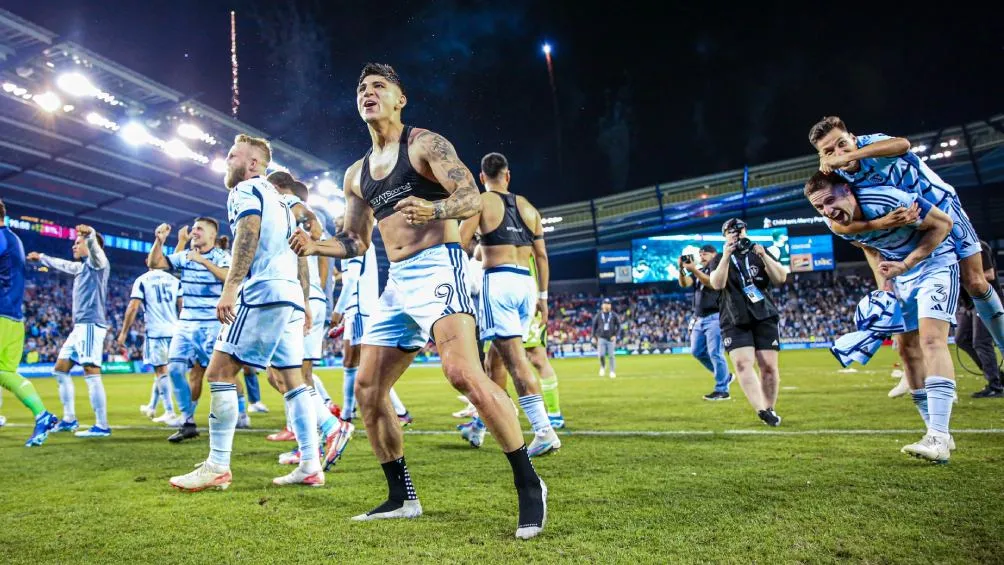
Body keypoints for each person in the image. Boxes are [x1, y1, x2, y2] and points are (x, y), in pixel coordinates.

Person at [289, 63, 546, 538]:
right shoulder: (355, 175)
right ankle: (401, 496)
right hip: (396, 281)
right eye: (361, 87)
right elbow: (356, 240)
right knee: (367, 388)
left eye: (378, 87)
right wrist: (317, 246)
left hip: (439, 267)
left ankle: (530, 486)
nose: (368, 93)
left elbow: (472, 197)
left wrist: (435, 208)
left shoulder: (426, 144)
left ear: (399, 99)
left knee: (463, 373)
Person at [168, 133, 321, 490]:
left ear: (253, 164)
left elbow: (247, 233)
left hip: (263, 291)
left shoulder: (245, 191)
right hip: (288, 295)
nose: (226, 161)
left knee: (219, 373)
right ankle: (311, 463)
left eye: (232, 155)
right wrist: (304, 301)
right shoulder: (282, 201)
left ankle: (218, 465)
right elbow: (298, 251)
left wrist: (231, 287)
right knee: (292, 381)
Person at [809, 116, 1004, 357]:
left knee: (974, 282)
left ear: (853, 138)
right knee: (904, 310)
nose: (837, 152)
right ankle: (917, 375)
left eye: (841, 143)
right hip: (907, 226)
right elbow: (836, 223)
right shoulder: (837, 180)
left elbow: (903, 145)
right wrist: (882, 223)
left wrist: (847, 156)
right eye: (829, 150)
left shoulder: (871, 143)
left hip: (941, 205)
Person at [805, 171, 958, 461]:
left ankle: (938, 435)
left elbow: (943, 225)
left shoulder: (889, 199)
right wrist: (884, 291)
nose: (827, 211)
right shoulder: (836, 224)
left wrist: (907, 262)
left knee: (931, 341)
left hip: (935, 265)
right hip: (900, 276)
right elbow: (872, 249)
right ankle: (938, 435)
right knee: (905, 348)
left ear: (847, 191)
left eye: (829, 201)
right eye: (819, 208)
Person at [457, 152, 559, 456]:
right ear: (508, 175)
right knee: (495, 361)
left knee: (515, 362)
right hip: (526, 286)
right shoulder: (528, 207)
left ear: (481, 176)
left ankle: (544, 431)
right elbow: (541, 256)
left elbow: (461, 243)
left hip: (497, 282)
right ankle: (479, 426)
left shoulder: (482, 202)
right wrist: (543, 297)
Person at [265, 172, 342, 467]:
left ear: (278, 188)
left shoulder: (291, 204)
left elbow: (315, 227)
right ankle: (314, 437)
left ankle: (325, 432)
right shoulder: (288, 211)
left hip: (301, 297)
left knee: (291, 375)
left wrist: (314, 293)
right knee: (287, 375)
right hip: (303, 295)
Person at [147, 217, 232, 442]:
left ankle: (230, 417)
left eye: (199, 229)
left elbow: (228, 277)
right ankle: (188, 421)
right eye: (193, 228)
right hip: (185, 323)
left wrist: (203, 261)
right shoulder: (185, 256)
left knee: (218, 376)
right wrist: (159, 241)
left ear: (212, 235)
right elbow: (154, 263)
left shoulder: (221, 256)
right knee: (174, 369)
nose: (194, 232)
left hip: (213, 324)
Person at [27, 224, 111, 437]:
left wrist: (90, 234)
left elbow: (94, 248)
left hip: (91, 325)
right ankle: (69, 419)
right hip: (79, 328)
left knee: (91, 371)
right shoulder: (82, 267)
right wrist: (42, 257)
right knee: (60, 369)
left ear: (91, 247)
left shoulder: (98, 263)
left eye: (77, 243)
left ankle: (102, 426)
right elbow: (62, 264)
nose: (74, 246)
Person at [707, 218, 788, 426]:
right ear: (724, 236)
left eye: (739, 232)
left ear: (746, 232)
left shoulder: (760, 252)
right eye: (731, 233)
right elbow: (716, 284)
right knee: (743, 364)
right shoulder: (718, 259)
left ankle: (769, 408)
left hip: (763, 314)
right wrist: (726, 255)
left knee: (768, 366)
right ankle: (762, 411)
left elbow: (780, 278)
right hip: (734, 317)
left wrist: (763, 255)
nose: (736, 236)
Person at [0, 199, 59, 446]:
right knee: (5, 372)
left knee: (3, 373)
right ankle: (43, 415)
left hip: (1, 312)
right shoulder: (14, 239)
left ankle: (43, 414)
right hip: (14, 316)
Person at [117, 267, 182, 424]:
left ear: (149, 261)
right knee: (162, 371)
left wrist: (124, 332)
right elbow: (182, 307)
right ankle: (151, 407)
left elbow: (133, 307)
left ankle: (169, 411)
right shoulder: (175, 280)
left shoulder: (143, 279)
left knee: (160, 371)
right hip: (175, 330)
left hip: (155, 332)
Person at [679, 244, 733, 400]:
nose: (701, 257)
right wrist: (681, 269)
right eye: (700, 254)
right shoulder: (700, 271)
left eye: (705, 254)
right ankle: (725, 376)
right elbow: (684, 283)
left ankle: (722, 390)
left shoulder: (718, 270)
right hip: (699, 318)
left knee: (715, 352)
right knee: (697, 351)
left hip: (715, 316)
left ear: (714, 255)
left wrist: (694, 270)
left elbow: (711, 283)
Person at [955, 240, 1002, 398]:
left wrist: (962, 277)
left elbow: (989, 274)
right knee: (961, 339)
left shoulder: (977, 246)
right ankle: (996, 375)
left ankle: (995, 385)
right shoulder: (952, 250)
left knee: (981, 342)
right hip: (968, 302)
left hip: (985, 300)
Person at [592, 298, 620, 378]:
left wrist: (615, 335)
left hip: (610, 338)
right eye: (605, 304)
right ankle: (603, 367)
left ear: (610, 305)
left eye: (608, 304)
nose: (607, 305)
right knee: (601, 355)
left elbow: (619, 326)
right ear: (602, 305)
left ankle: (612, 371)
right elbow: (594, 326)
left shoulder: (614, 315)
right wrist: (593, 336)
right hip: (601, 337)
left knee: (611, 355)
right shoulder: (599, 315)